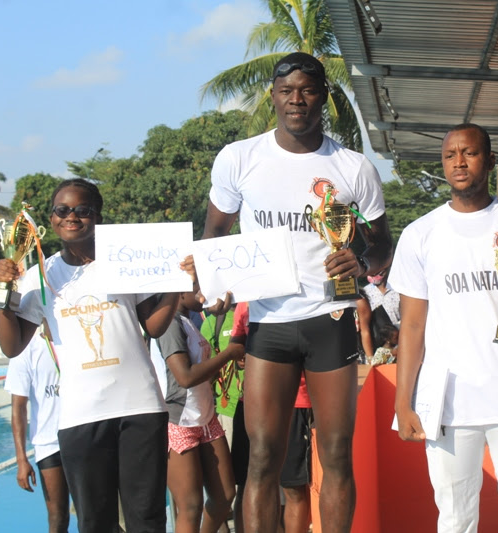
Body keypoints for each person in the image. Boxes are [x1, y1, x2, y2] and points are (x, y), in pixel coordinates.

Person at [201, 52, 392, 533]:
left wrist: (361, 260)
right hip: (269, 321)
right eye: (286, 91)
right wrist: (216, 285)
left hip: (331, 317)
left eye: (307, 90)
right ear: (273, 96)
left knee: (336, 452)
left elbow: (382, 248)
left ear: (323, 96)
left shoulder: (352, 167)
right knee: (263, 455)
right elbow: (215, 234)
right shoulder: (240, 158)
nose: (297, 100)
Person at [0, 178, 191, 533]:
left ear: (98, 217)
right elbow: (11, 346)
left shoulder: (123, 262)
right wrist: (3, 289)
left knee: (147, 519)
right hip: (80, 415)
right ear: (51, 219)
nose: (72, 216)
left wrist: (178, 283)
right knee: (94, 523)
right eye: (62, 210)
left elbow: (155, 326)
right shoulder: (40, 277)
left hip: (140, 408)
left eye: (82, 210)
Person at [390, 123, 498, 533]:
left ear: (490, 161)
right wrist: (403, 401)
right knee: (455, 518)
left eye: (469, 153)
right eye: (450, 155)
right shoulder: (420, 234)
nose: (459, 162)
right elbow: (413, 325)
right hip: (449, 401)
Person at [157, 290, 243, 533]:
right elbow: (185, 377)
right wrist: (228, 354)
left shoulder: (188, 321)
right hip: (180, 421)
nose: (203, 296)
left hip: (205, 417)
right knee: (190, 506)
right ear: (178, 290)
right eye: (197, 288)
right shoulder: (169, 324)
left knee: (225, 495)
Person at [227, 302, 313, 533]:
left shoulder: (295, 298)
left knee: (293, 489)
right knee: (251, 483)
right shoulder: (244, 304)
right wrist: (239, 353)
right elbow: (236, 341)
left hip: (295, 403)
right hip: (251, 404)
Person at [5, 330, 70, 533]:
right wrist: (21, 460)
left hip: (81, 434)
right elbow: (18, 408)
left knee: (95, 514)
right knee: (57, 518)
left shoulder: (70, 335)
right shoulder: (24, 348)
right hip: (48, 443)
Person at [357, 267, 400, 361]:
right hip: (374, 344)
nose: (373, 274)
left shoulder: (398, 290)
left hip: (396, 343)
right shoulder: (365, 293)